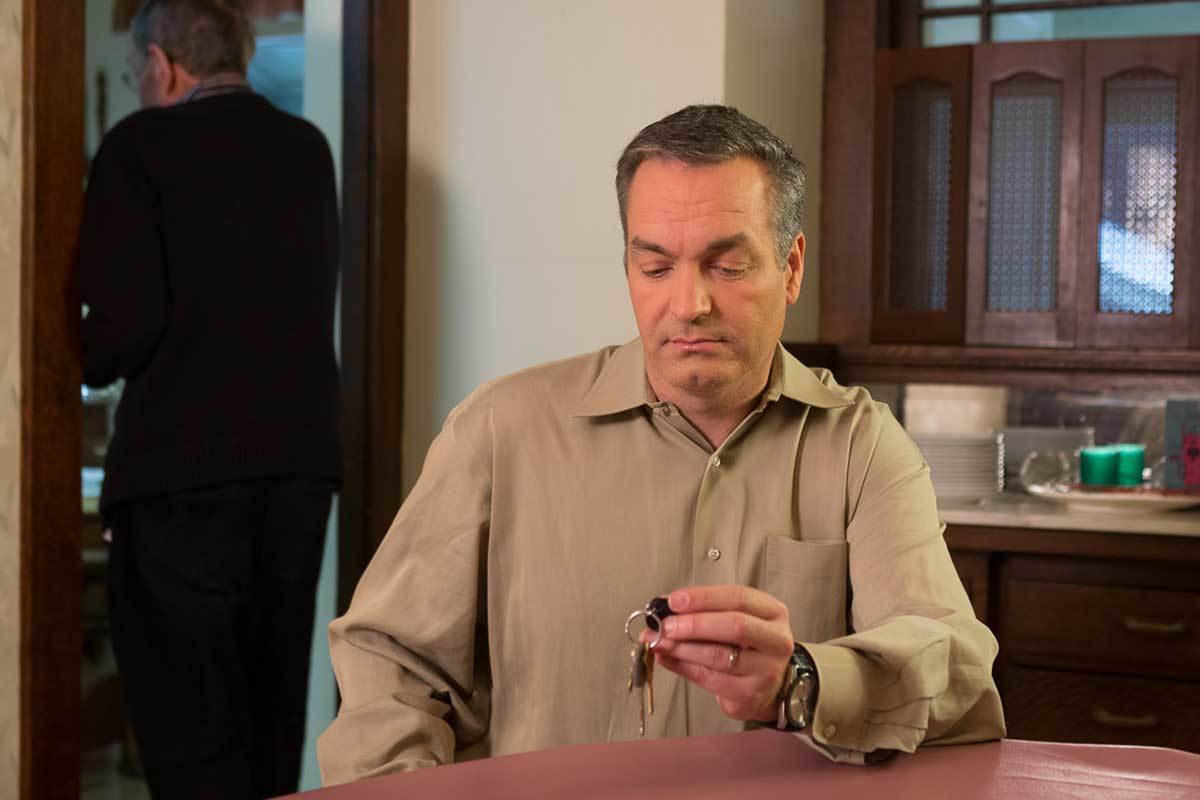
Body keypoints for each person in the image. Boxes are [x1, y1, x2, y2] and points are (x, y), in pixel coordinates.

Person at [318, 105, 1004, 784]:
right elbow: (391, 665)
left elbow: (956, 677)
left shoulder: (861, 446)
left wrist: (801, 681)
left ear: (791, 268)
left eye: (727, 266)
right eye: (655, 268)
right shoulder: (500, 431)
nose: (689, 304)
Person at [78, 1, 341, 797]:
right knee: (270, 719)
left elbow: (122, 328)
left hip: (179, 479)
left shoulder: (138, 148)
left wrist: (78, 358)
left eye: (134, 73)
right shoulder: (306, 148)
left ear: (160, 65)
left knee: (188, 734)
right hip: (297, 471)